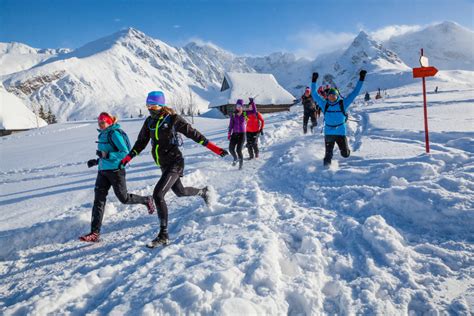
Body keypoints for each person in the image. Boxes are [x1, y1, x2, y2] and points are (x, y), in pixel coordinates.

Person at [120, 91, 229, 247]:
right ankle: (203, 192)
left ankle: (163, 235)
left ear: (161, 105)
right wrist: (128, 157)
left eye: (153, 104)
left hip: (175, 163)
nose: (149, 107)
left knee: (158, 195)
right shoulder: (149, 122)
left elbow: (195, 135)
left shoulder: (173, 119)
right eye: (148, 105)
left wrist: (215, 149)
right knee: (180, 192)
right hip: (163, 164)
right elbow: (141, 142)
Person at [79, 112, 155, 242]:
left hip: (116, 171)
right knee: (98, 201)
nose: (101, 124)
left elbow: (125, 153)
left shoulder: (114, 133)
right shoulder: (103, 134)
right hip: (102, 171)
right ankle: (94, 233)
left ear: (110, 122)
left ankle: (146, 200)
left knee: (124, 198)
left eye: (103, 122)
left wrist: (106, 156)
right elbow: (105, 154)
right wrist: (97, 161)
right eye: (99, 122)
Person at [311, 70, 367, 166]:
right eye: (330, 96)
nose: (332, 97)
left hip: (340, 133)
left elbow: (355, 93)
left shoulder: (343, 104)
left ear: (337, 96)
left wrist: (361, 78)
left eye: (334, 95)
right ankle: (325, 171)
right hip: (329, 133)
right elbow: (314, 94)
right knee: (328, 156)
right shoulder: (324, 105)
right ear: (327, 96)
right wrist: (314, 81)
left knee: (345, 154)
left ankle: (346, 151)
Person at [228, 99, 257, 169]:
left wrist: (252, 103)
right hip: (234, 134)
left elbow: (254, 111)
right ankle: (235, 158)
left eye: (240, 106)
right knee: (231, 149)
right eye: (237, 106)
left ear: (242, 107)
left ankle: (240, 166)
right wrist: (229, 133)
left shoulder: (245, 114)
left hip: (242, 135)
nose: (238, 107)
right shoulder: (234, 115)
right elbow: (231, 125)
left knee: (238, 150)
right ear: (236, 106)